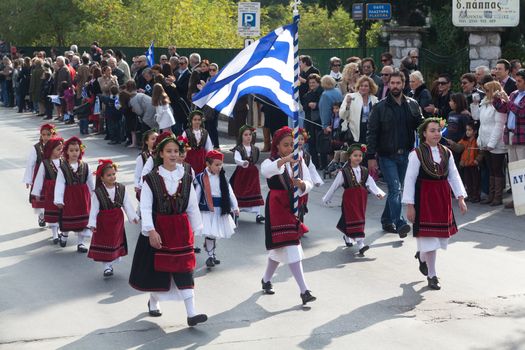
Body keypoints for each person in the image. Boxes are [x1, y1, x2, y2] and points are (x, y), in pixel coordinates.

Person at [129, 135, 208, 327]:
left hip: (180, 230)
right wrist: (151, 231)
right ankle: (154, 300)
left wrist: (197, 228)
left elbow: (191, 206)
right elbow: (146, 207)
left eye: (176, 151)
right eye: (169, 151)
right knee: (160, 272)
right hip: (161, 229)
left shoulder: (186, 177)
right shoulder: (152, 179)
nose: (173, 154)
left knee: (184, 270)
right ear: (161, 154)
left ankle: (191, 314)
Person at [402, 118, 467, 290]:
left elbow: (453, 175)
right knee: (429, 239)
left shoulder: (447, 152)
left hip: (442, 197)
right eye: (432, 130)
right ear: (424, 133)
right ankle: (432, 275)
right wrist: (410, 204)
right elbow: (409, 179)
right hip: (424, 197)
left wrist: (460, 197)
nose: (436, 133)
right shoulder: (416, 153)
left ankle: (422, 256)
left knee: (436, 239)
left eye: (438, 130)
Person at [260, 126, 316, 306]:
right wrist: (285, 160)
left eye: (291, 145)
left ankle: (266, 279)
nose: (289, 148)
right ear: (276, 146)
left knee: (280, 248)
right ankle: (304, 290)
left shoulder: (298, 160)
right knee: (291, 245)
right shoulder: (272, 161)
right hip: (276, 206)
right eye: (285, 145)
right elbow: (267, 171)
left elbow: (309, 181)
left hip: (292, 205)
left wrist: (302, 185)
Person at [367, 71, 424, 237]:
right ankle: (400, 222)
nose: (395, 86)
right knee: (395, 189)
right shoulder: (380, 107)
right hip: (386, 155)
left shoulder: (413, 104)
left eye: (398, 83)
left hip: (406, 154)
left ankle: (386, 220)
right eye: (392, 83)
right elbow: (372, 133)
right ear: (388, 85)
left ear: (404, 84)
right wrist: (371, 157)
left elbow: (421, 127)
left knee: (396, 190)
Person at [322, 144, 385, 254]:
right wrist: (327, 197)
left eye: (360, 155)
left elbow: (371, 183)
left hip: (361, 200)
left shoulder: (364, 171)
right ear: (349, 157)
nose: (358, 158)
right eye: (355, 155)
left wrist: (378, 193)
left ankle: (347, 237)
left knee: (357, 219)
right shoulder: (344, 172)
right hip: (349, 200)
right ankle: (361, 244)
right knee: (353, 218)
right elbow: (335, 185)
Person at [88, 159, 139, 277]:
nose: (112, 177)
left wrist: (132, 216)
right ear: (102, 178)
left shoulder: (121, 188)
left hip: (117, 221)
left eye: (113, 174)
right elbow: (94, 208)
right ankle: (107, 266)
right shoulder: (98, 192)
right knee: (105, 242)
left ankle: (112, 261)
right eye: (108, 175)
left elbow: (127, 204)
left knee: (115, 241)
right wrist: (92, 223)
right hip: (103, 222)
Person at [194, 150, 239, 268]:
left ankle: (212, 254)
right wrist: (193, 209)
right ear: (208, 165)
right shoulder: (201, 178)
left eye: (221, 164)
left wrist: (235, 206)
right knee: (210, 233)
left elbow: (230, 193)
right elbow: (197, 195)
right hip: (207, 210)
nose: (219, 167)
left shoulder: (223, 177)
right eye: (216, 165)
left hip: (220, 209)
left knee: (216, 233)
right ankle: (210, 256)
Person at [54, 137, 95, 252]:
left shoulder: (86, 166)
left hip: (83, 198)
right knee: (68, 218)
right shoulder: (63, 168)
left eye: (76, 150)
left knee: (83, 221)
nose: (74, 153)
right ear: (66, 151)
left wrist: (95, 196)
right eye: (71, 150)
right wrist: (59, 199)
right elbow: (60, 184)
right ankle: (64, 234)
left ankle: (81, 243)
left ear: (80, 151)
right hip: (69, 198)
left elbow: (91, 183)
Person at [471, 81, 508, 206]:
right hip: (486, 141)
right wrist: (475, 104)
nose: (484, 92)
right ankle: (491, 195)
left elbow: (500, 125)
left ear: (493, 91)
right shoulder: (485, 103)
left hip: (497, 142)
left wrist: (492, 143)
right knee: (491, 169)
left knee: (497, 169)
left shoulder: (499, 105)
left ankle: (498, 197)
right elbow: (477, 118)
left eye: (487, 90)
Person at [493, 68, 525, 209]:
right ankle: (518, 200)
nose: (517, 83)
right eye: (516, 80)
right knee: (514, 170)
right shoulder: (513, 94)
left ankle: (523, 200)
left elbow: (521, 112)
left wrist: (508, 101)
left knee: (523, 170)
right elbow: (503, 109)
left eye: (519, 81)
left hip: (522, 137)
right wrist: (496, 98)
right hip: (511, 135)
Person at [229, 125, 265, 223]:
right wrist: (242, 162)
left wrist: (250, 164)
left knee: (255, 191)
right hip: (242, 173)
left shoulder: (255, 149)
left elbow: (255, 159)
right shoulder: (238, 149)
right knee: (240, 191)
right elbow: (236, 159)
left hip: (252, 173)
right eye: (245, 135)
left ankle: (257, 213)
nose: (248, 137)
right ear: (241, 136)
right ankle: (236, 210)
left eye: (250, 134)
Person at [31, 137, 63, 243]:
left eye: (61, 149)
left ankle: (60, 231)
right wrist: (36, 192)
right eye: (58, 149)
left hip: (62, 191)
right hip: (50, 191)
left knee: (60, 212)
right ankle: (54, 234)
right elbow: (39, 178)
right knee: (52, 211)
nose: (60, 152)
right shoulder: (45, 163)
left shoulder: (64, 162)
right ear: (51, 150)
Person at [23, 123, 56, 228]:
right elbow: (30, 164)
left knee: (52, 198)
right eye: (43, 135)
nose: (46, 137)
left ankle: (53, 219)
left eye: (48, 134)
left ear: (52, 135)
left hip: (53, 176)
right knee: (40, 197)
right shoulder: (36, 148)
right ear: (41, 135)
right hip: (39, 176)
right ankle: (41, 215)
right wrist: (28, 179)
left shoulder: (57, 147)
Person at [339, 75, 379, 145]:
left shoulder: (374, 99)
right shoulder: (351, 97)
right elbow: (342, 116)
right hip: (354, 134)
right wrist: (348, 105)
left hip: (369, 132)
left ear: (370, 88)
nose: (363, 88)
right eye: (361, 86)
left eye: (366, 86)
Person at [297, 128, 324, 223]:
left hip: (304, 183)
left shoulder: (307, 155)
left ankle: (300, 223)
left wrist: (316, 180)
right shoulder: (290, 154)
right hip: (295, 183)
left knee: (302, 204)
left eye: (302, 139)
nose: (299, 141)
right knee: (296, 203)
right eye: (298, 139)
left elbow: (311, 168)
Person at [319, 75, 343, 169]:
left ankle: (332, 166)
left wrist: (324, 125)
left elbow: (325, 111)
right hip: (339, 121)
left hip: (331, 123)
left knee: (330, 147)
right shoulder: (338, 91)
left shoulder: (325, 95)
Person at [301, 73, 323, 168]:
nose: (312, 84)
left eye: (314, 82)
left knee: (320, 143)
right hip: (309, 121)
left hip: (319, 121)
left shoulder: (322, 93)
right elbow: (305, 107)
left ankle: (321, 163)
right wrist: (309, 105)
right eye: (310, 83)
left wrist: (316, 105)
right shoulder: (307, 94)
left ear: (318, 83)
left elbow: (324, 105)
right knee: (311, 143)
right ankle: (315, 163)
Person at [182, 111, 213, 175]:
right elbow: (182, 144)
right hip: (190, 157)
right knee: (190, 173)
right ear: (191, 121)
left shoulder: (205, 132)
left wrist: (209, 158)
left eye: (199, 120)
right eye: (195, 120)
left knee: (200, 174)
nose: (197, 122)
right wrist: (187, 148)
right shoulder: (186, 132)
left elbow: (209, 147)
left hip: (202, 158)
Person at [458, 122, 481, 202]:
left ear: (475, 131)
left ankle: (476, 196)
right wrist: (452, 144)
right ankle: (469, 194)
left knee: (475, 181)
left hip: (473, 164)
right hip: (465, 164)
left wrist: (477, 160)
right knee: (468, 180)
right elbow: (458, 147)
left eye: (469, 130)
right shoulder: (464, 140)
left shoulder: (477, 141)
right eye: (466, 130)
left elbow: (481, 152)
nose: (467, 132)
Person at [134, 130, 158, 200]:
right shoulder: (142, 157)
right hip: (147, 184)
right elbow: (138, 174)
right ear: (146, 141)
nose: (155, 141)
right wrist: (137, 185)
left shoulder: (162, 155)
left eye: (157, 138)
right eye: (153, 139)